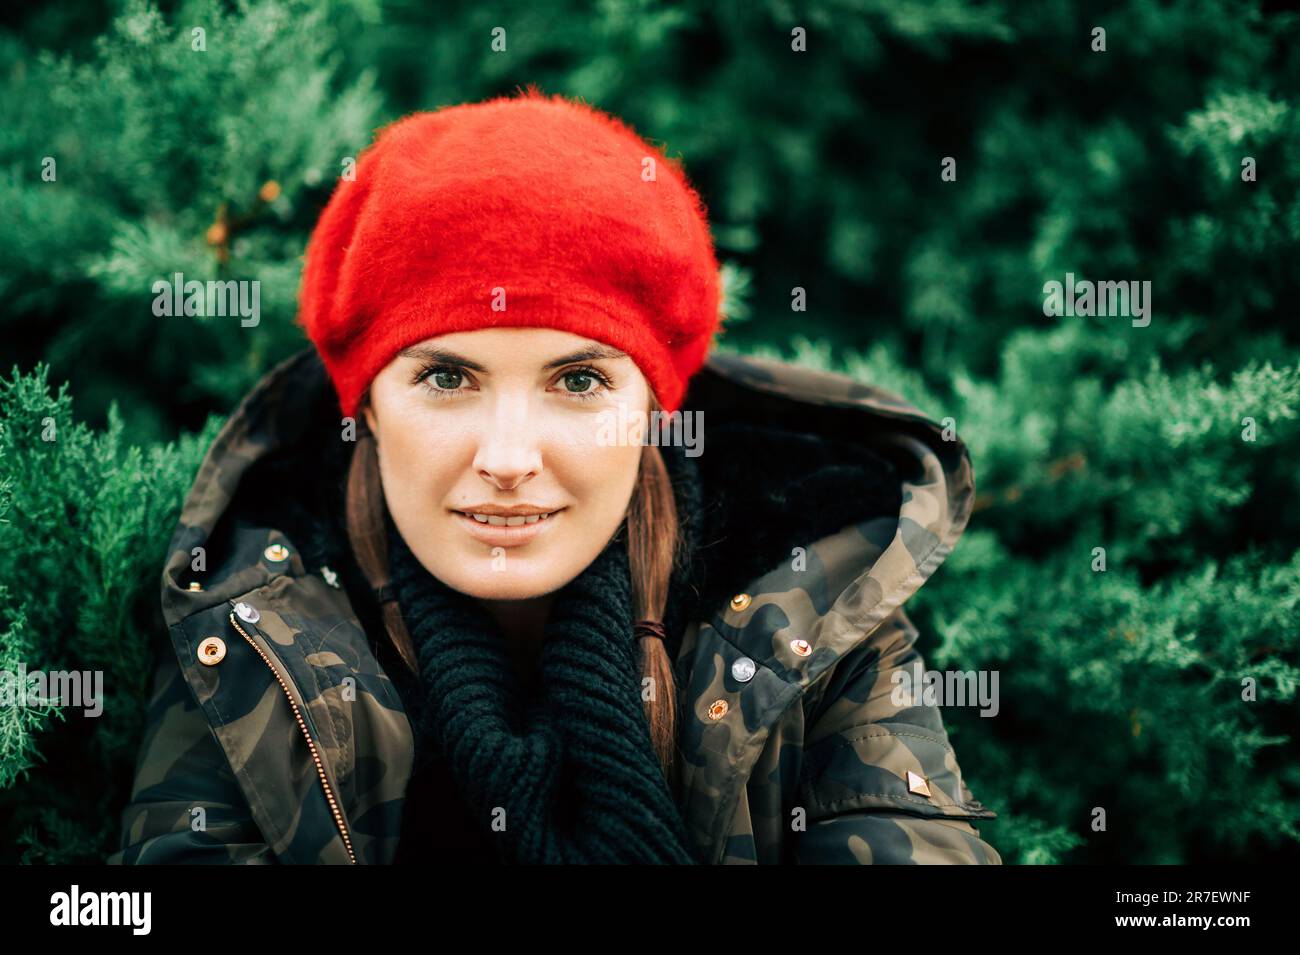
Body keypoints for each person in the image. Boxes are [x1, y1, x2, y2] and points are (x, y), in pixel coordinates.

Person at [109, 88, 1002, 865]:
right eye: (446, 378)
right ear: (368, 406)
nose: (506, 459)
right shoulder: (250, 626)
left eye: (578, 381)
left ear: (654, 406)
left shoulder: (817, 603)